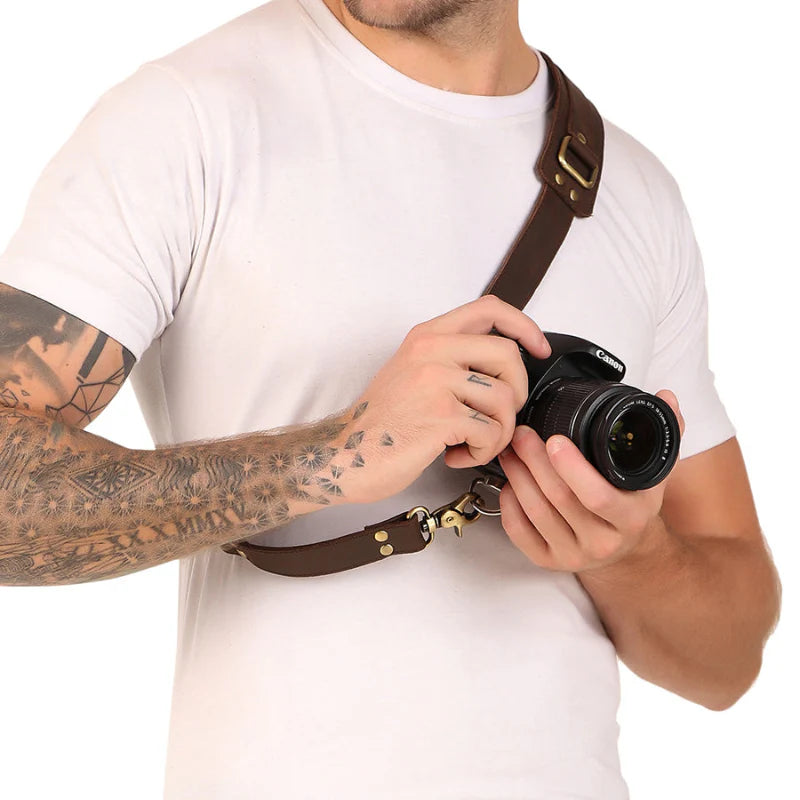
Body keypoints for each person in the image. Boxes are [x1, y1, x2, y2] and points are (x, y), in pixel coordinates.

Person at [0, 0, 781, 797]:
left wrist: (629, 553)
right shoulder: (189, 118)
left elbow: (728, 664)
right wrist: (334, 458)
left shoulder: (634, 192)